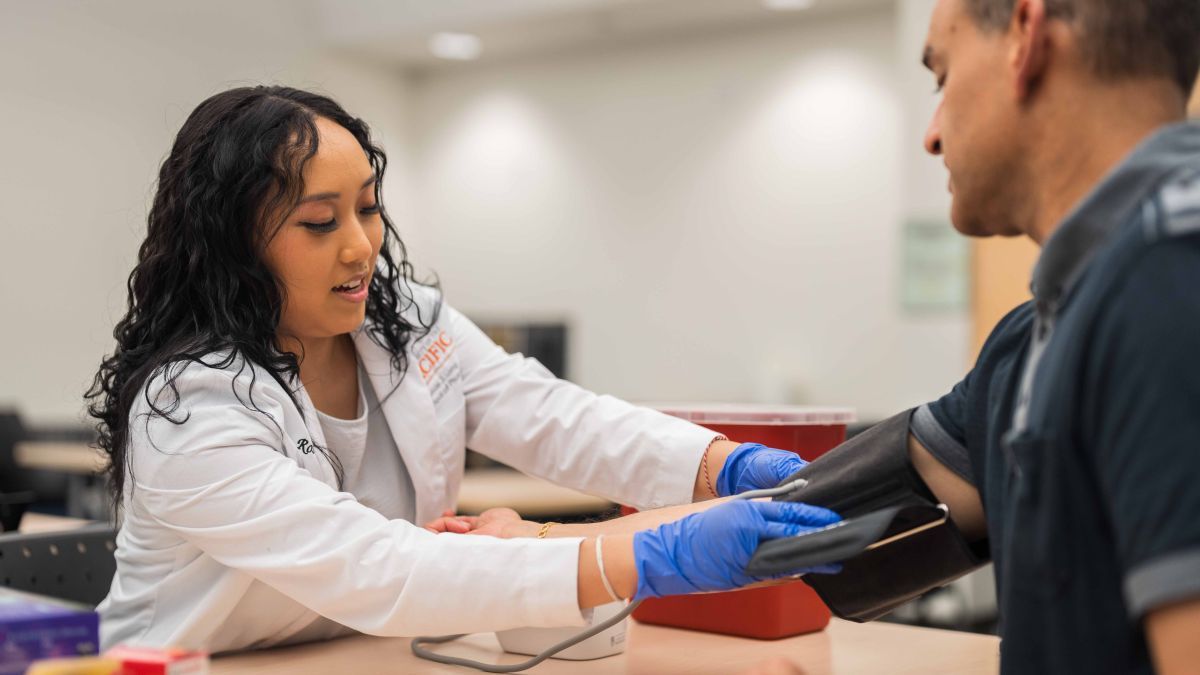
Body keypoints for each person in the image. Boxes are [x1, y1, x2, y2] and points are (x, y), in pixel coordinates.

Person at [86, 86, 840, 653]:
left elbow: (552, 416)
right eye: (320, 222)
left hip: (361, 656)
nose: (360, 247)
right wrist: (637, 558)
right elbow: (376, 566)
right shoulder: (190, 406)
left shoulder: (402, 322)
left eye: (369, 208)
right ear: (233, 245)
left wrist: (725, 465)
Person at [738, 1, 1200, 673]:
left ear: (1024, 34)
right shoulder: (1039, 336)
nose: (930, 134)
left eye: (942, 76)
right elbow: (848, 511)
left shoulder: (1168, 289)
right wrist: (590, 553)